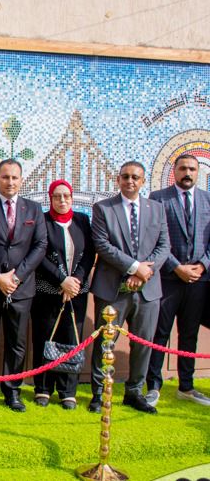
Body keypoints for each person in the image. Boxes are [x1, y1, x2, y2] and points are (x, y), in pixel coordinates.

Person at [89, 161, 170, 414]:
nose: (130, 181)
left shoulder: (157, 209)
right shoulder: (103, 208)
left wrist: (145, 272)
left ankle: (134, 392)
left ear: (143, 181)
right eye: (125, 176)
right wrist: (134, 267)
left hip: (148, 291)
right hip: (112, 289)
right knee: (105, 342)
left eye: (135, 177)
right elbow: (102, 245)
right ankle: (99, 393)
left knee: (143, 344)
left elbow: (164, 246)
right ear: (118, 179)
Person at [0, 159, 47, 413]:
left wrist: (17, 277)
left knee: (17, 342)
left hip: (21, 288)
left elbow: (40, 245)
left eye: (15, 177)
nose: (10, 182)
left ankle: (13, 391)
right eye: (5, 177)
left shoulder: (34, 209)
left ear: (21, 180)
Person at [146, 154, 210, 407]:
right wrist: (177, 267)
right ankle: (153, 386)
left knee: (189, 335)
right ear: (174, 171)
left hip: (199, 280)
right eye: (183, 168)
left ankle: (186, 386)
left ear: (198, 172)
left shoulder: (208, 200)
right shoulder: (158, 198)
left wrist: (202, 266)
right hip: (167, 278)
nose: (187, 173)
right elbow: (154, 239)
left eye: (192, 169)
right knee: (159, 333)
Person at [30, 180, 95, 410]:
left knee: (71, 338)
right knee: (45, 337)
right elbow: (39, 254)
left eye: (66, 195)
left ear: (72, 197)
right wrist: (61, 280)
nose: (62, 200)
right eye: (57, 196)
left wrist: (75, 281)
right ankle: (43, 388)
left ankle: (68, 391)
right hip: (48, 291)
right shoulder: (43, 221)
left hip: (76, 292)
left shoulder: (82, 220)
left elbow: (89, 253)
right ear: (50, 198)